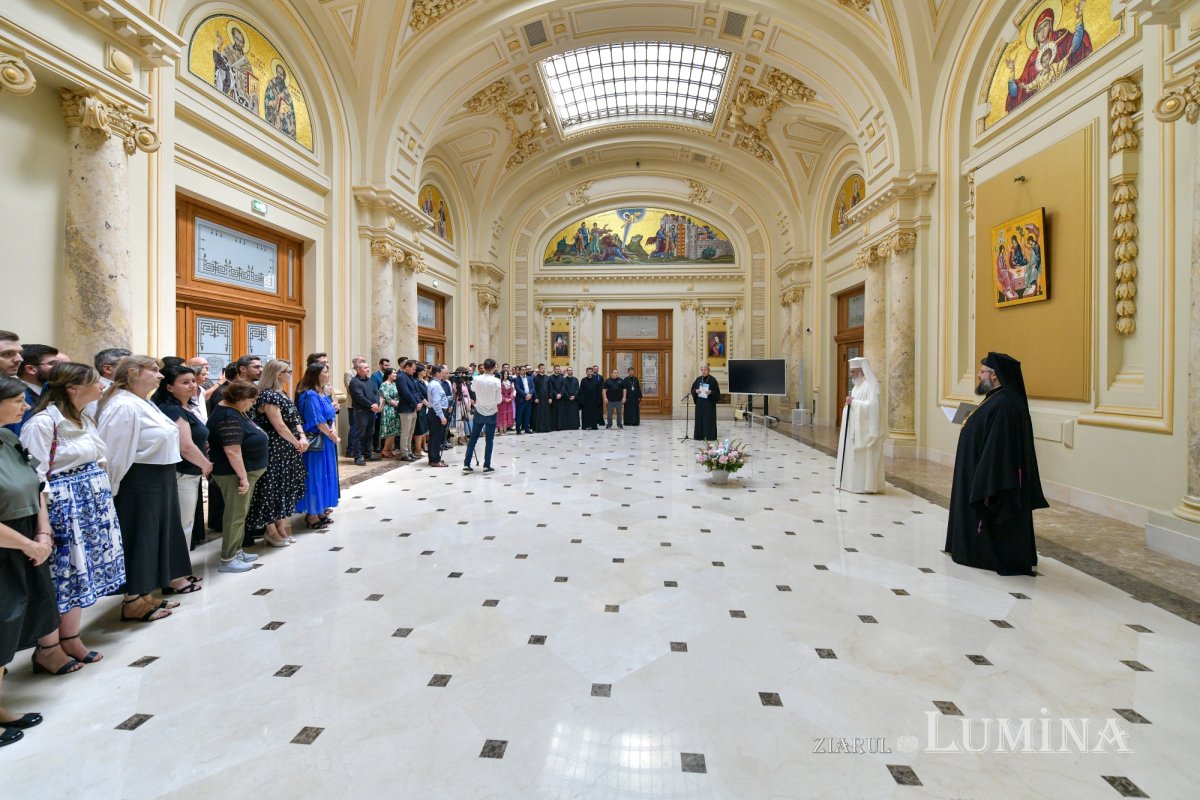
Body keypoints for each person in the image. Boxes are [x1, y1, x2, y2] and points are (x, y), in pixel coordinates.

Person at [19, 364, 125, 671]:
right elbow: (35, 478)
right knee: (62, 576)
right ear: (72, 388)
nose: (102, 386)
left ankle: (71, 637)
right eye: (95, 382)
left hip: (91, 505)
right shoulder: (42, 424)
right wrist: (44, 525)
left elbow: (99, 458)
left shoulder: (84, 417)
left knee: (82, 573)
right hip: (63, 509)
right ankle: (48, 646)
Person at [96, 356, 195, 621]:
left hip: (158, 477)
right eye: (153, 370)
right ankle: (133, 600)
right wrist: (112, 489)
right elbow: (114, 452)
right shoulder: (122, 405)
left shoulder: (142, 402)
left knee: (155, 536)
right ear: (131, 373)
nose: (160, 376)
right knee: (141, 536)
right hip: (138, 480)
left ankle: (145, 593)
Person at [945, 353, 1048, 576]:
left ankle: (982, 552)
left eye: (982, 372)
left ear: (994, 376)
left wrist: (984, 478)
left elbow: (999, 448)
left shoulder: (1005, 404)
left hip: (985, 474)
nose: (979, 376)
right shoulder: (996, 398)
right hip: (973, 468)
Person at [0, 375, 64, 740]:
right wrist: (26, 544)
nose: (25, 406)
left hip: (26, 537)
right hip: (9, 543)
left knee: (9, 628)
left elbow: (37, 483)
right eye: (17, 401)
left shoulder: (9, 438)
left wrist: (40, 532)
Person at [151, 365, 213, 552]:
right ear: (169, 387)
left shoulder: (186, 407)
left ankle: (181, 569)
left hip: (190, 471)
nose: (192, 386)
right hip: (182, 472)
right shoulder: (172, 410)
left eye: (193, 381)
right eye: (185, 383)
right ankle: (178, 572)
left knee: (187, 521)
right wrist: (207, 465)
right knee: (183, 523)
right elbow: (185, 446)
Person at [208, 381, 268, 573]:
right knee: (235, 516)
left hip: (243, 472)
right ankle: (228, 558)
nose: (253, 403)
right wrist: (242, 477)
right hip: (233, 474)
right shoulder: (227, 416)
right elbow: (232, 451)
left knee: (240, 514)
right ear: (240, 398)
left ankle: (236, 550)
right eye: (251, 400)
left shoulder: (235, 410)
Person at [247, 360, 308, 548]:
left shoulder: (282, 393)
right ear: (277, 374)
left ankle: (281, 527)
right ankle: (271, 530)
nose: (290, 373)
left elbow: (295, 418)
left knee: (285, 487)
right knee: (272, 489)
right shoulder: (267, 396)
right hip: (276, 447)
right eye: (287, 371)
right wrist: (297, 441)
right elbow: (279, 426)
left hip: (289, 446)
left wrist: (302, 437)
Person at [295, 363, 340, 528]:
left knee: (325, 475)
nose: (328, 374)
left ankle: (321, 510)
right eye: (325, 372)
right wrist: (331, 434)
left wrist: (333, 429)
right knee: (315, 477)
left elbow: (330, 415)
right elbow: (317, 419)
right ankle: (312, 514)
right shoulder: (310, 395)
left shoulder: (323, 393)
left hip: (327, 440)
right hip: (317, 442)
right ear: (316, 375)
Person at [833, 357, 884, 494]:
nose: (851, 375)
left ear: (862, 371)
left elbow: (873, 407)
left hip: (866, 432)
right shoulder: (857, 386)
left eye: (853, 372)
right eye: (851, 372)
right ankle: (852, 484)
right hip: (854, 429)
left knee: (865, 459)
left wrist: (853, 402)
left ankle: (865, 486)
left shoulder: (872, 386)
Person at [7, 344, 58, 435]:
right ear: (31, 369)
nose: (59, 367)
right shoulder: (17, 395)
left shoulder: (51, 390)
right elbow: (19, 436)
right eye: (53, 363)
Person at [463, 359, 500, 474]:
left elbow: (473, 389)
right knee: (489, 439)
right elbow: (499, 400)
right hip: (491, 411)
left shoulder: (477, 379)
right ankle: (486, 466)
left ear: (483, 367)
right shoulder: (496, 381)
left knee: (473, 439)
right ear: (494, 368)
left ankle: (466, 465)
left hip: (479, 410)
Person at [346, 360, 380, 466]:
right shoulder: (354, 382)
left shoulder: (369, 380)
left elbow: (376, 392)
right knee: (359, 434)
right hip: (361, 412)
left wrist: (377, 404)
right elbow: (359, 397)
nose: (368, 369)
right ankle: (357, 457)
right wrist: (371, 405)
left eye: (368, 367)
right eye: (365, 368)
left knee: (370, 432)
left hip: (371, 411)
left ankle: (368, 454)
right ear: (358, 370)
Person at [394, 360, 422, 462]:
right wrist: (415, 403)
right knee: (405, 432)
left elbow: (415, 392)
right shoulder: (401, 377)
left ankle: (409, 451)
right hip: (406, 408)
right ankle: (404, 453)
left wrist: (419, 402)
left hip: (412, 408)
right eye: (413, 369)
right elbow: (405, 393)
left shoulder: (410, 377)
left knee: (411, 432)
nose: (414, 371)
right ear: (407, 367)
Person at [425, 365, 451, 467]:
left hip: (434, 412)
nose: (444, 374)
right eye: (443, 372)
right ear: (438, 373)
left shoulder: (434, 383)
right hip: (437, 413)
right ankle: (435, 460)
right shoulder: (435, 385)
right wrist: (442, 416)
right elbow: (436, 402)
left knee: (433, 436)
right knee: (436, 437)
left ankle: (433, 458)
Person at [690, 365, 721, 441]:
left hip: (709, 405)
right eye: (702, 370)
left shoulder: (713, 380)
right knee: (700, 420)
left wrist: (711, 392)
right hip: (700, 404)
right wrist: (696, 391)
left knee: (708, 420)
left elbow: (717, 393)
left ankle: (710, 437)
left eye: (705, 370)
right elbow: (693, 389)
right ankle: (699, 436)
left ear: (708, 371)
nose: (703, 371)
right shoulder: (698, 379)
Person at [378, 368, 400, 457]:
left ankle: (390, 449)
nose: (395, 375)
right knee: (390, 431)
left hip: (396, 409)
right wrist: (396, 404)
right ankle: (385, 450)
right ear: (388, 374)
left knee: (394, 431)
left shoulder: (394, 384)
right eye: (394, 373)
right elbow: (386, 397)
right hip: (389, 409)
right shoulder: (384, 385)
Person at [412, 364, 430, 457]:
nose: (425, 372)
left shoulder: (423, 382)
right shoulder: (416, 382)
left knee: (423, 428)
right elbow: (420, 395)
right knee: (419, 429)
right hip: (420, 406)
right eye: (424, 370)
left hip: (424, 407)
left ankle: (421, 448)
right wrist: (428, 404)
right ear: (419, 372)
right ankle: (417, 450)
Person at [513, 366, 534, 434]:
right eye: (522, 370)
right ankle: (518, 429)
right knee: (519, 415)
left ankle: (527, 429)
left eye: (525, 370)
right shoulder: (516, 379)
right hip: (521, 399)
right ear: (519, 371)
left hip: (529, 399)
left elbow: (532, 387)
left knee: (527, 415)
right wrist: (525, 395)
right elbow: (518, 389)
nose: (524, 371)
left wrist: (530, 394)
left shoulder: (530, 378)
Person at [532, 363, 552, 433]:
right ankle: (539, 428)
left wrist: (550, 398)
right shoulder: (535, 378)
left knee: (546, 413)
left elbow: (550, 388)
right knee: (539, 413)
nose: (543, 369)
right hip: (539, 398)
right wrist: (536, 398)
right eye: (541, 368)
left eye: (544, 368)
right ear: (539, 369)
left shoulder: (547, 378)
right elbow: (534, 389)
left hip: (546, 398)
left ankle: (546, 428)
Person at [549, 366, 569, 430]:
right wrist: (556, 394)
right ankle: (554, 427)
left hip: (561, 397)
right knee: (554, 412)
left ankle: (560, 426)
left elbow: (563, 386)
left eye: (558, 369)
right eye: (556, 369)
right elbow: (551, 388)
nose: (557, 370)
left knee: (560, 413)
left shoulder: (562, 378)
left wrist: (560, 394)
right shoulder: (550, 378)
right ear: (554, 370)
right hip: (554, 398)